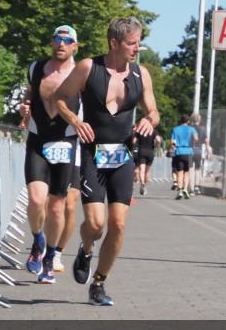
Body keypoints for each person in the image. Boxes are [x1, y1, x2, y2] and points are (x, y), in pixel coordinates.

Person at [53, 17, 159, 306]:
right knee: (96, 224)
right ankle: (86, 248)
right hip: (92, 153)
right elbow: (60, 97)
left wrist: (150, 121)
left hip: (123, 155)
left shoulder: (141, 74)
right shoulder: (89, 68)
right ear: (114, 43)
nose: (137, 48)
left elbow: (153, 111)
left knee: (119, 224)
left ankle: (98, 283)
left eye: (139, 42)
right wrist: (75, 120)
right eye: (131, 43)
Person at [20, 25, 83, 284]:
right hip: (38, 139)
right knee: (36, 200)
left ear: (75, 47)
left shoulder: (81, 74)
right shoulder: (36, 68)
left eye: (67, 41)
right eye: (58, 39)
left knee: (58, 207)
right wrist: (25, 107)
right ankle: (38, 240)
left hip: (66, 142)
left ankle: (50, 259)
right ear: (51, 42)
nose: (62, 44)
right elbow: (30, 94)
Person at [170, 115, 197, 199]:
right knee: (187, 172)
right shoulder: (191, 129)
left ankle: (180, 190)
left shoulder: (175, 129)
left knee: (180, 172)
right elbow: (196, 138)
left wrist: (174, 147)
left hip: (179, 152)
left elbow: (172, 142)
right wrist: (193, 144)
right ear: (188, 121)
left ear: (181, 121)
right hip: (188, 151)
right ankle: (185, 188)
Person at [132, 127, 161, 196]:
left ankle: (142, 183)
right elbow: (158, 140)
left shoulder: (140, 130)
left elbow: (133, 141)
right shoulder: (153, 131)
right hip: (150, 151)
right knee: (147, 171)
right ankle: (144, 186)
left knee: (142, 169)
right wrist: (156, 146)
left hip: (141, 151)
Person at [189, 112, 209, 194]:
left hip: (190, 150)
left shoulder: (189, 128)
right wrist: (208, 150)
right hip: (199, 151)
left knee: (190, 169)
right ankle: (197, 186)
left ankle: (191, 188)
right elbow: (206, 141)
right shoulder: (203, 129)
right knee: (198, 169)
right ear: (199, 120)